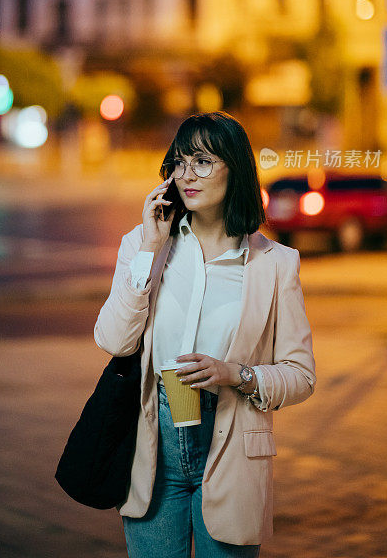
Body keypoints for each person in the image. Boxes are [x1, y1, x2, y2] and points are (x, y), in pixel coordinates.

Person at [94, 111, 316, 557]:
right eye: (178, 162)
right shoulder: (142, 245)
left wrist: (237, 373)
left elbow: (301, 375)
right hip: (152, 442)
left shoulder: (275, 264)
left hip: (232, 439)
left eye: (201, 162)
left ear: (235, 169)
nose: (185, 175)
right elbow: (114, 341)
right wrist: (149, 250)